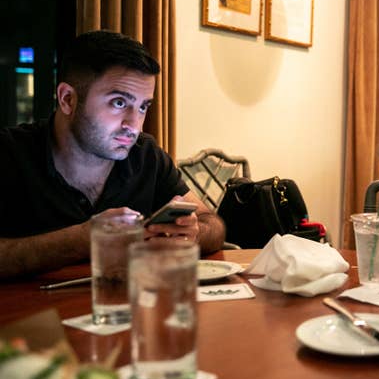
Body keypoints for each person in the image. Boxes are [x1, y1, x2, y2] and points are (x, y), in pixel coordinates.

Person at [0, 30, 225, 279]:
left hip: (128, 311)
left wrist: (192, 233)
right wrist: (82, 239)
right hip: (29, 315)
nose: (135, 126)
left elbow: (212, 224)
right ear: (67, 99)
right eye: (119, 103)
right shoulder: (9, 154)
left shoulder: (145, 154)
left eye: (143, 107)